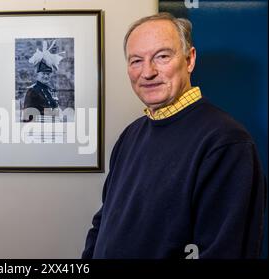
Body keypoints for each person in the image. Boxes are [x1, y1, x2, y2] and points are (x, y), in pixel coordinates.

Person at [82, 12, 266, 259]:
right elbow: (104, 220)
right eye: (136, 60)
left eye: (162, 57)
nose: (147, 72)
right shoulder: (131, 134)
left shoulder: (226, 142)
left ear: (189, 60)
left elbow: (227, 250)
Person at [22, 40, 62, 122]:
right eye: (43, 73)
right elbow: (27, 116)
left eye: (48, 74)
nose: (46, 76)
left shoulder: (49, 90)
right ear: (37, 74)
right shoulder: (32, 91)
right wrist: (52, 114)